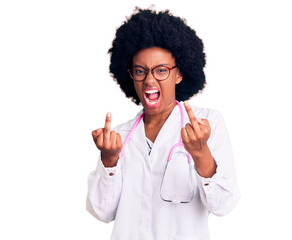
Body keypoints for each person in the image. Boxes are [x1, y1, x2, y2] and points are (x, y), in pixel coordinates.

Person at [86, 7, 240, 240]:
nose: (149, 79)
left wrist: (200, 153)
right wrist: (109, 160)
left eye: (161, 70)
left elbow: (223, 204)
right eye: (140, 71)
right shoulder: (118, 138)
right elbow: (102, 212)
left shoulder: (206, 125)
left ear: (179, 74)